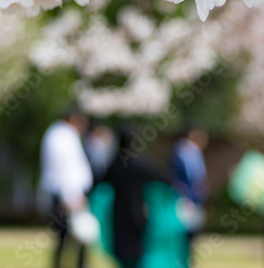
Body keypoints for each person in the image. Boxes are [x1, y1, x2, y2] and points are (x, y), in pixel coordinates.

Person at [97, 128, 169, 268]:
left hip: (119, 214)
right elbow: (164, 180)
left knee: (122, 252)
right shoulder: (142, 165)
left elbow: (98, 183)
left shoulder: (115, 166)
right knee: (137, 252)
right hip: (139, 212)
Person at [41, 110, 94, 268]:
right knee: (70, 235)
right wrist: (71, 195)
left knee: (74, 236)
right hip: (68, 195)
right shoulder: (61, 137)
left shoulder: (61, 135)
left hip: (69, 193)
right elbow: (65, 169)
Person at [170, 125, 208, 264]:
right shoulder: (181, 152)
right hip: (184, 198)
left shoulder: (195, 153)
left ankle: (187, 259)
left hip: (194, 198)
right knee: (184, 233)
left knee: (192, 233)